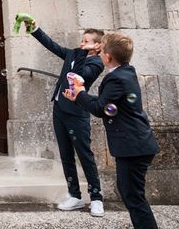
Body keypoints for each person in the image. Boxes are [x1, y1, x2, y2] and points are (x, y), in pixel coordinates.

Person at [63, 32, 159, 229]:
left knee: (133, 197)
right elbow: (105, 105)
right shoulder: (125, 73)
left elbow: (100, 108)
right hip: (134, 145)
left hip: (133, 146)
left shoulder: (117, 79)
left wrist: (80, 93)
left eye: (102, 51)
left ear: (108, 57)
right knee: (128, 192)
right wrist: (78, 97)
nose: (99, 54)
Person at [20, 14, 106, 216]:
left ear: (97, 46)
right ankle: (74, 195)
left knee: (85, 155)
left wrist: (84, 53)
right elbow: (53, 46)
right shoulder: (74, 53)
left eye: (86, 41)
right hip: (59, 109)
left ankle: (96, 198)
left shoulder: (96, 63)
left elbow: (81, 76)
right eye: (82, 40)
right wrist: (35, 29)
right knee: (66, 155)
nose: (81, 43)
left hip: (77, 113)